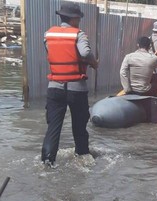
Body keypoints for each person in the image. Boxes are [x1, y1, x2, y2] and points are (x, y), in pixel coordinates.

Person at [41, 2, 98, 167]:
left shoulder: (48, 34)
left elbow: (52, 53)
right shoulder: (78, 34)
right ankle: (82, 154)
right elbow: (85, 52)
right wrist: (94, 63)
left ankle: (47, 160)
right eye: (79, 18)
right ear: (74, 18)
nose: (79, 21)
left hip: (54, 87)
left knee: (53, 126)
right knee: (79, 125)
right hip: (76, 88)